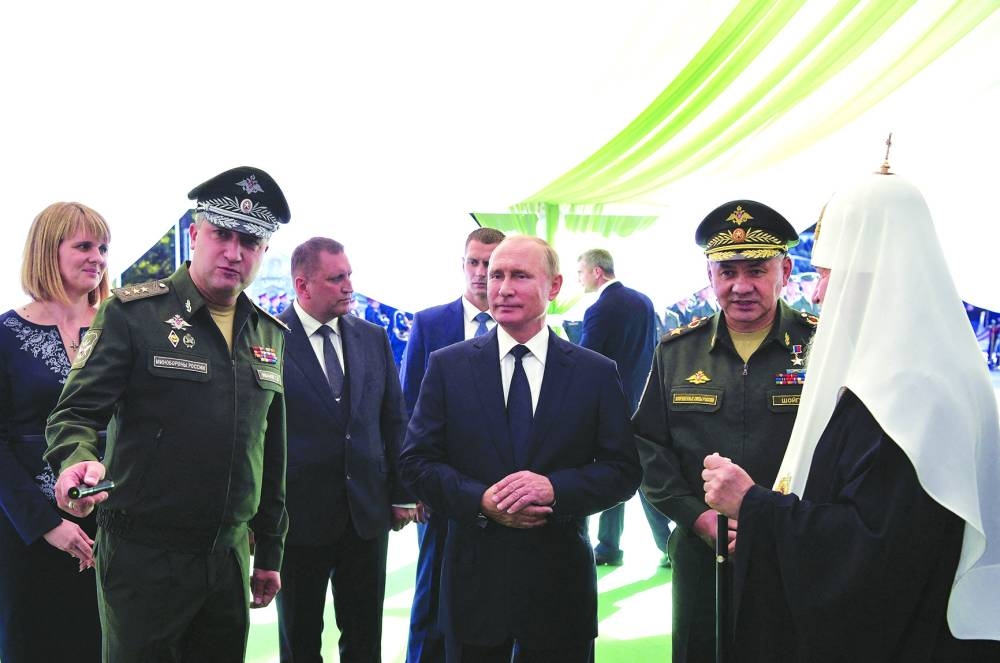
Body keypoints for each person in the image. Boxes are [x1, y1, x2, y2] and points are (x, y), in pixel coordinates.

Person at [703, 172, 1000, 661]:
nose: (817, 295)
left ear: (872, 277)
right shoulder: (920, 372)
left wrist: (751, 505)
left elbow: (871, 557)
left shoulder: (908, 394)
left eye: (827, 275)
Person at [45, 166, 291, 663]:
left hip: (225, 559)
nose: (234, 252)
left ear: (263, 252)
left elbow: (269, 450)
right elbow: (75, 412)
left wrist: (269, 551)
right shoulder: (134, 316)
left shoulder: (268, 333)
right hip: (143, 559)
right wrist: (76, 459)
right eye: (221, 234)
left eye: (250, 241)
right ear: (195, 235)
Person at [399, 235, 641, 662]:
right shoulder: (448, 366)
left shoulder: (595, 373)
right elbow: (416, 463)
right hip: (473, 589)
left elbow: (622, 471)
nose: (503, 288)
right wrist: (481, 500)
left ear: (555, 285)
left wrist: (554, 490)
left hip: (559, 589)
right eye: (496, 275)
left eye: (520, 276)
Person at [632, 200, 817, 663]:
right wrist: (698, 519)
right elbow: (648, 447)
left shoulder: (823, 344)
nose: (741, 286)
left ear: (785, 270)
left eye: (756, 269)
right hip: (701, 554)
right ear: (710, 276)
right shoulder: (677, 351)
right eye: (727, 271)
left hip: (794, 549)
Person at [276, 237, 416, 662]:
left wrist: (402, 492)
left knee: (364, 637)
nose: (348, 286)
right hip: (298, 520)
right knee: (300, 641)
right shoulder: (268, 338)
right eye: (336, 278)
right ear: (303, 286)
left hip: (366, 516)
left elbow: (394, 419)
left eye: (349, 275)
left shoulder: (372, 337)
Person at [0, 202, 110, 662]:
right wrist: (46, 526)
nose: (98, 258)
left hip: (115, 528)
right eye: (84, 245)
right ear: (48, 250)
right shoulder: (5, 334)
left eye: (103, 247)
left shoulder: (120, 329)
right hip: (28, 531)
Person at [400, 226, 505, 663]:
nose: (481, 274)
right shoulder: (430, 323)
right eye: (474, 263)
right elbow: (408, 407)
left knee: (495, 595)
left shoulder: (524, 322)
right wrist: (412, 489)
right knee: (432, 589)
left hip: (503, 485)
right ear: (462, 265)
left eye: (491, 265)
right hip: (440, 486)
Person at [576, 248, 673, 568]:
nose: (580, 278)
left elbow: (586, 360)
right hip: (643, 401)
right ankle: (660, 542)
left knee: (614, 473)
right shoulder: (643, 301)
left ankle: (613, 546)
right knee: (641, 475)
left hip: (610, 407)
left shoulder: (599, 309)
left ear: (597, 272)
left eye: (581, 272)